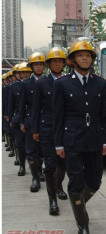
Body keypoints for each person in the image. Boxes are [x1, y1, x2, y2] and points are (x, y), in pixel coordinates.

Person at [53, 41, 106, 234]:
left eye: (88, 55)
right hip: (72, 140)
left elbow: (105, 115)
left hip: (95, 139)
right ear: (73, 60)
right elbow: (58, 117)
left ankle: (78, 203)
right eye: (80, 55)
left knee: (95, 182)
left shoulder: (101, 84)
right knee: (76, 183)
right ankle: (82, 226)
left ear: (92, 59)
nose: (85, 58)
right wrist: (58, 144)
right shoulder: (62, 84)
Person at [31, 48, 68, 216]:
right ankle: (52, 200)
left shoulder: (69, 81)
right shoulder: (41, 83)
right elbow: (36, 108)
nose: (57, 63)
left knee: (63, 164)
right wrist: (35, 129)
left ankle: (59, 185)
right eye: (54, 61)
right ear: (49, 64)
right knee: (50, 165)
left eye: (60, 61)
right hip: (47, 129)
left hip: (66, 130)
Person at [19, 53, 45, 192]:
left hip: (45, 121)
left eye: (41, 64)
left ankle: (39, 171)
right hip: (30, 121)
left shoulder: (49, 81)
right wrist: (22, 122)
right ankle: (35, 178)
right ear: (31, 67)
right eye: (36, 64)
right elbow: (22, 104)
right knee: (31, 150)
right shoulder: (26, 84)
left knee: (42, 151)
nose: (39, 67)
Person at [8, 63, 31, 177]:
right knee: (20, 144)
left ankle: (38, 171)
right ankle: (22, 166)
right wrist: (10, 117)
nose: (25, 74)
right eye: (23, 72)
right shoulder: (13, 87)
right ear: (18, 74)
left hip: (31, 118)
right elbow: (11, 103)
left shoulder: (35, 84)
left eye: (27, 72)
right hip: (18, 118)